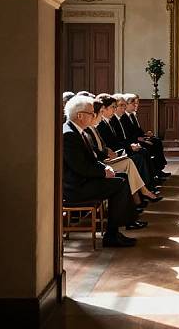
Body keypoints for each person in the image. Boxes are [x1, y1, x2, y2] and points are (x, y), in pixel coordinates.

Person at [62, 95, 139, 247]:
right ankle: (113, 234)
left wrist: (105, 168)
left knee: (122, 176)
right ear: (80, 116)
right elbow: (80, 167)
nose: (94, 116)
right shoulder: (69, 135)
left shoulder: (79, 131)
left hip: (84, 181)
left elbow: (91, 159)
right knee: (120, 184)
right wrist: (104, 173)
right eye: (91, 113)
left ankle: (117, 230)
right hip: (76, 187)